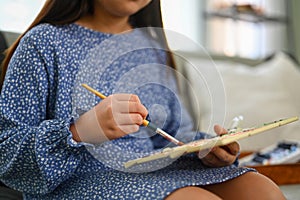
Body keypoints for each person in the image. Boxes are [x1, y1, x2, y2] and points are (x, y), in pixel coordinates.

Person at [0, 0, 286, 199]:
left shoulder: (151, 47)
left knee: (262, 190)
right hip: (76, 182)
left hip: (154, 173)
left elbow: (174, 135)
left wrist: (205, 150)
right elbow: (6, 155)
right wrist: (80, 131)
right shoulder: (43, 44)